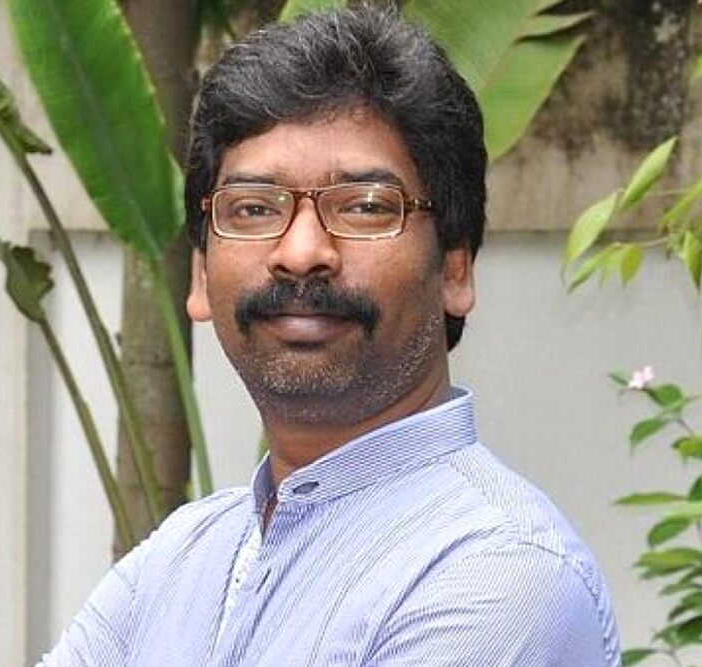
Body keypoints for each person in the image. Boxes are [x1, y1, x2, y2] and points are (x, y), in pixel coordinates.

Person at [38, 6, 620, 666]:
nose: (301, 252)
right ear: (199, 273)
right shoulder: (180, 559)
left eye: (364, 207)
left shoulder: (499, 572)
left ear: (455, 267)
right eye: (253, 208)